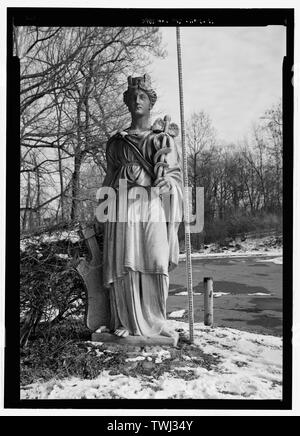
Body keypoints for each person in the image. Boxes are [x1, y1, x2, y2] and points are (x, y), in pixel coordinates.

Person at [96, 74, 183, 340]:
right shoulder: (117, 142)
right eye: (132, 96)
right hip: (123, 205)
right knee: (126, 262)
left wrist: (169, 185)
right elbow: (108, 179)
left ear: (151, 101)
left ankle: (156, 320)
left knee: (156, 259)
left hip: (152, 205)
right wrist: (121, 179)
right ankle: (124, 320)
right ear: (126, 102)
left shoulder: (162, 140)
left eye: (142, 96)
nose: (137, 101)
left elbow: (175, 176)